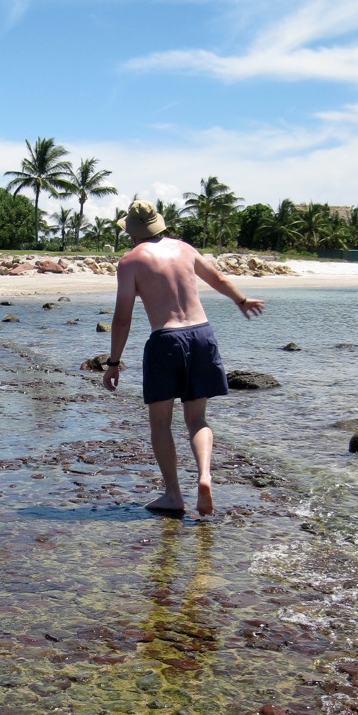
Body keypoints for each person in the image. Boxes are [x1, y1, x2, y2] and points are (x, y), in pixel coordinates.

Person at [102, 199, 265, 516]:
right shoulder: (184, 249)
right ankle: (205, 476)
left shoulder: (129, 262)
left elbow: (122, 317)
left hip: (165, 340)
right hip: (202, 334)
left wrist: (113, 362)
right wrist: (241, 300)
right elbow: (217, 279)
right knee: (197, 419)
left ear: (132, 231)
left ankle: (174, 495)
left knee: (161, 423)